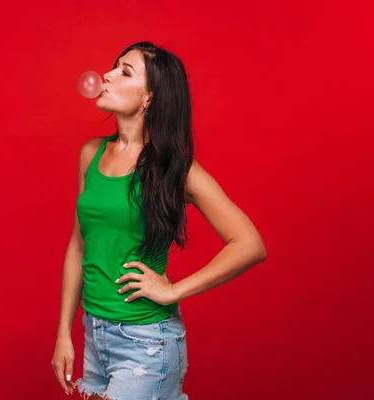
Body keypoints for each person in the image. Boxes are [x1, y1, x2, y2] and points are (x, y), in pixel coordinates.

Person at [51, 41, 267, 400]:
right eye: (113, 66)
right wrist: (63, 333)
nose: (106, 75)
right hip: (95, 335)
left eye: (125, 71)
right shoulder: (91, 154)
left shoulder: (176, 170)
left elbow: (250, 244)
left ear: (149, 98)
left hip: (145, 343)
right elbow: (78, 246)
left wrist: (173, 290)